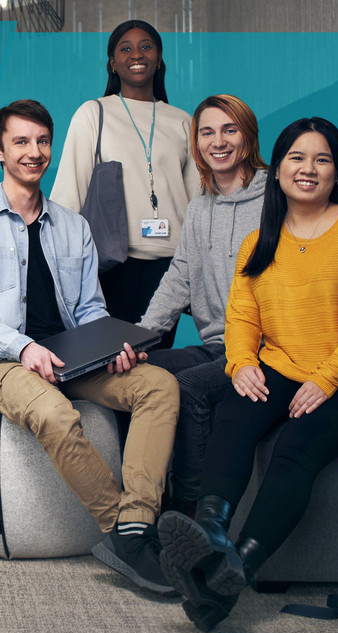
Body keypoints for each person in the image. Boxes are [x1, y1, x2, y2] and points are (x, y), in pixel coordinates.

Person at [156, 117, 338, 631]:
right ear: (279, 167)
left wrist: (328, 378)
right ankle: (209, 539)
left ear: (337, 172)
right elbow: (242, 318)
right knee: (234, 414)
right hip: (283, 363)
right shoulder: (259, 241)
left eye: (322, 159)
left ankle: (235, 566)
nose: (308, 169)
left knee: (296, 446)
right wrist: (242, 364)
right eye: (297, 157)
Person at [0, 99, 180, 594]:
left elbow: (89, 309)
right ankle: (123, 534)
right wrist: (22, 346)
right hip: (0, 362)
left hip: (75, 357)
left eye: (42, 141)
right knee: (53, 415)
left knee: (158, 385)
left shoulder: (74, 226)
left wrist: (114, 343)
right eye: (21, 142)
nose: (34, 152)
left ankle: (135, 523)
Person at [137, 95, 268, 515]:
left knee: (190, 388)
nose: (219, 141)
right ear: (196, 143)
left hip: (262, 349)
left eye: (230, 129)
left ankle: (185, 515)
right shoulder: (199, 206)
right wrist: (140, 338)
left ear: (247, 135)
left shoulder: (277, 198)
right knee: (143, 373)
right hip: (216, 344)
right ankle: (144, 504)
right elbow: (178, 278)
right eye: (207, 132)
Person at [51, 19, 200, 348]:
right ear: (113, 63)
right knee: (110, 364)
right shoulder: (93, 113)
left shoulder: (183, 121)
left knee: (154, 362)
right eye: (126, 48)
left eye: (146, 46)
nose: (137, 54)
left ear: (159, 59)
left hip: (170, 267)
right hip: (112, 264)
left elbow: (199, 201)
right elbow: (67, 196)